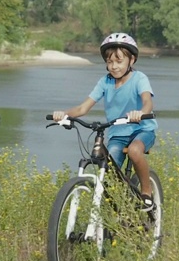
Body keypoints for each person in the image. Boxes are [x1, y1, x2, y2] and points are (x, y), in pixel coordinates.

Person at [52, 32, 158, 211]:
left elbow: (147, 101)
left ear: (131, 60)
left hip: (142, 129)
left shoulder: (139, 79)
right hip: (118, 133)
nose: (114, 66)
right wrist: (63, 114)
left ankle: (146, 191)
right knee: (109, 168)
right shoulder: (105, 82)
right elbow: (82, 109)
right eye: (110, 62)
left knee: (134, 151)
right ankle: (117, 209)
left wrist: (140, 113)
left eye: (119, 61)